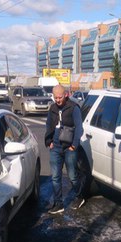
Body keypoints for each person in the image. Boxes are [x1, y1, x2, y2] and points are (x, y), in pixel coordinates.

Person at [44, 84, 84, 214]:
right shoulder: (52, 108)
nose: (58, 100)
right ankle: (58, 203)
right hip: (55, 147)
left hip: (69, 147)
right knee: (55, 177)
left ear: (65, 95)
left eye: (60, 97)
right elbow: (49, 125)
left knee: (72, 176)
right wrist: (48, 141)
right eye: (56, 97)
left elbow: (79, 128)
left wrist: (74, 145)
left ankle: (80, 196)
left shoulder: (73, 108)